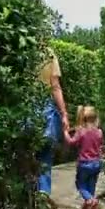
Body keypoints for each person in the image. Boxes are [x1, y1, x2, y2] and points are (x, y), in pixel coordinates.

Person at [36, 47, 69, 201]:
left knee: (22, 155)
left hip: (21, 107)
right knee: (44, 156)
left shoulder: (17, 47)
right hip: (44, 109)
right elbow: (55, 87)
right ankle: (43, 196)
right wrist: (64, 114)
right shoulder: (48, 54)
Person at [63, 106, 103, 209]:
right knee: (91, 185)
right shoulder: (99, 132)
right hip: (97, 163)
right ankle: (88, 207)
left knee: (80, 184)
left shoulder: (81, 131)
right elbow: (100, 146)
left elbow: (71, 142)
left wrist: (65, 132)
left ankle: (91, 201)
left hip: (85, 163)